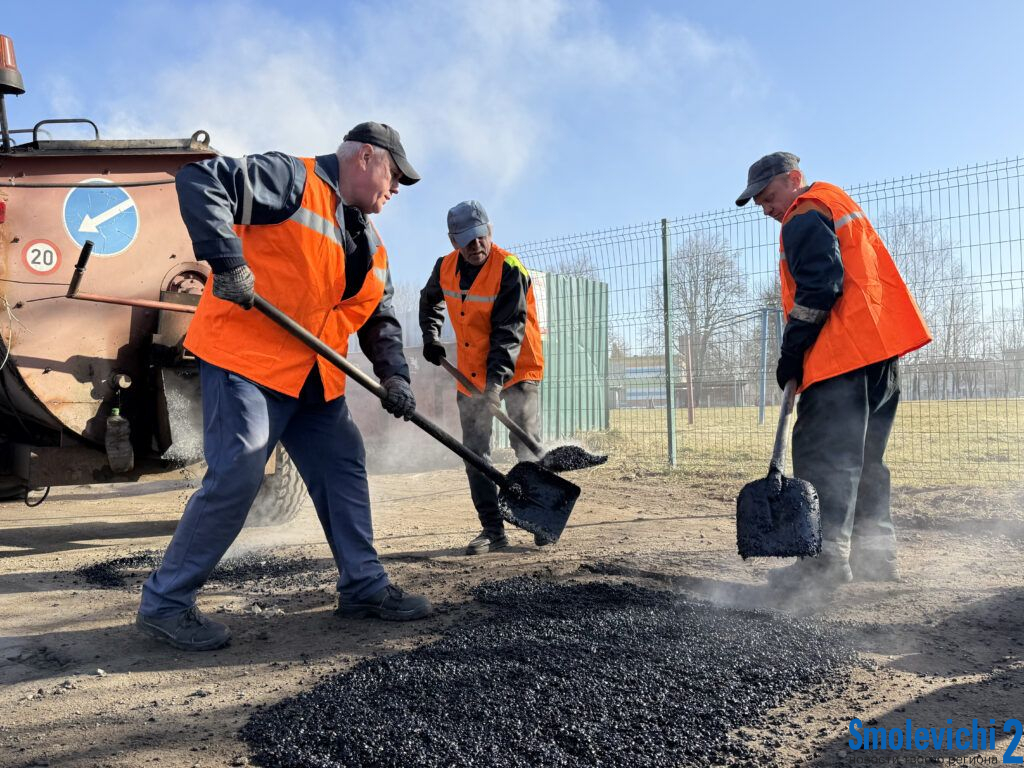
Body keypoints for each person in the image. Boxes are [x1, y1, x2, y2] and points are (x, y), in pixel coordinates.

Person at [137, 122, 432, 651]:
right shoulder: (292, 180)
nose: (394, 192)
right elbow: (199, 180)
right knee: (240, 469)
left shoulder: (371, 243)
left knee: (343, 463)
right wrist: (227, 263)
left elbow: (379, 317)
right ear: (366, 156)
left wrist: (396, 377)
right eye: (393, 177)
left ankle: (364, 587)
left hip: (315, 380)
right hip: (247, 362)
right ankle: (166, 603)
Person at [736, 152, 931, 589]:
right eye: (759, 203)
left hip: (841, 358)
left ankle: (821, 568)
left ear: (794, 180)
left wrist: (792, 352)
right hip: (879, 356)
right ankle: (875, 561)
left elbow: (820, 287)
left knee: (826, 461)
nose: (765, 209)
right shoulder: (837, 204)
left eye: (768, 196)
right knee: (866, 463)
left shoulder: (803, 215)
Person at [419, 201, 545, 555]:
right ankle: (493, 530)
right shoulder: (444, 267)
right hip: (471, 373)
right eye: (466, 241)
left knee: (526, 445)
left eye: (480, 237)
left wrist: (493, 387)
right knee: (475, 453)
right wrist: (430, 336)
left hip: (517, 367)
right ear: (452, 240)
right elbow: (429, 302)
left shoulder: (509, 268)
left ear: (490, 231)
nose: (475, 247)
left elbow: (508, 333)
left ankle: (540, 517)